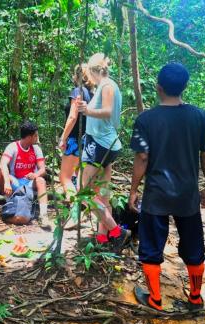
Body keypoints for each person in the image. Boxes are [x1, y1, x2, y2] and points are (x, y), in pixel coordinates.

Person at [129, 63, 205, 311]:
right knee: (194, 246)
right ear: (184, 87)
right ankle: (195, 298)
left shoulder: (145, 119)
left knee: (151, 248)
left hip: (156, 195)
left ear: (158, 87)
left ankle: (155, 299)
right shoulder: (199, 116)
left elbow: (142, 158)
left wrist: (134, 190)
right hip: (187, 195)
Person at [76, 53, 130, 253]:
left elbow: (107, 111)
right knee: (103, 194)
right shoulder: (107, 86)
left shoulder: (107, 86)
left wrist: (87, 111)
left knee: (83, 193)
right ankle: (102, 237)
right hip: (107, 145)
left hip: (99, 145)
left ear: (92, 70)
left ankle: (117, 232)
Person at [0, 121, 50, 229]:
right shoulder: (13, 147)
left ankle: (43, 215)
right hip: (15, 180)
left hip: (29, 183)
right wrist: (6, 181)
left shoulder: (36, 149)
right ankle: (10, 203)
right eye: (35, 136)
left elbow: (43, 169)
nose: (37, 138)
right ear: (29, 137)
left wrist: (35, 174)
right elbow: (2, 165)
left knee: (41, 180)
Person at [58, 64, 93, 201]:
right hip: (87, 140)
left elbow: (73, 117)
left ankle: (74, 209)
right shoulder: (91, 93)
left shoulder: (77, 91)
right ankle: (82, 215)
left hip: (75, 140)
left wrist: (63, 138)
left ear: (77, 75)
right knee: (80, 180)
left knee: (65, 177)